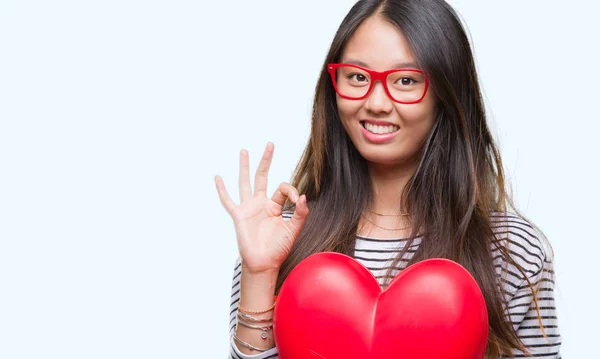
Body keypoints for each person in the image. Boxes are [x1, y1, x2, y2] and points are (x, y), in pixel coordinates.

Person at [215, 0, 561, 358]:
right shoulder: (278, 239)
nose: (377, 102)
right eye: (358, 77)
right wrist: (259, 272)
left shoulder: (511, 250)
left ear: (446, 92)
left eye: (406, 80)